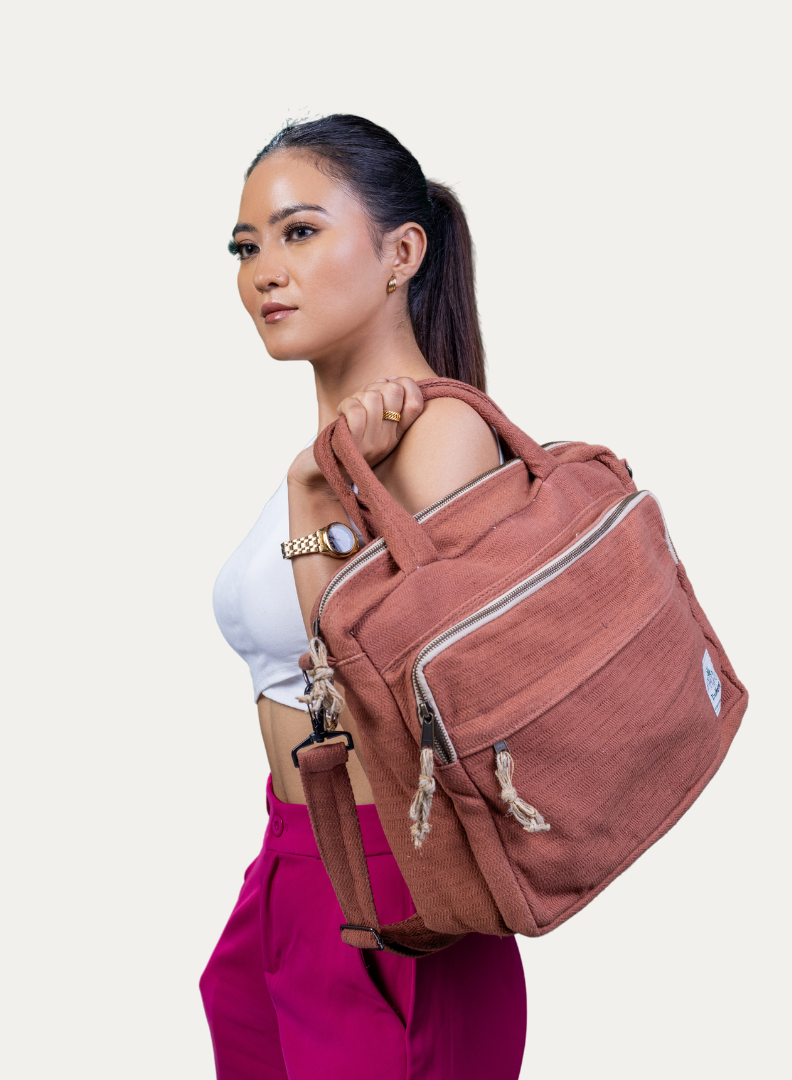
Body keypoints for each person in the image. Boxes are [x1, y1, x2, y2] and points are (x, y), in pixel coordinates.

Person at [201, 116, 527, 1080]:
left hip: (402, 882)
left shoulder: (439, 438)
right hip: (299, 858)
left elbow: (377, 678)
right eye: (245, 246)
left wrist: (314, 493)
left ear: (401, 253)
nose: (264, 269)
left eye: (300, 233)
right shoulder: (334, 452)